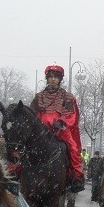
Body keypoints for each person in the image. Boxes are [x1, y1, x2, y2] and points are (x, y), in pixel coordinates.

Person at [30, 64, 85, 192]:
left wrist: (61, 121)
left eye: (56, 77)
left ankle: (76, 178)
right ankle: (17, 171)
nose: (53, 79)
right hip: (41, 130)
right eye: (50, 77)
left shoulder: (67, 96)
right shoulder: (38, 96)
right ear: (47, 78)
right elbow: (32, 113)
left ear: (60, 79)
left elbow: (72, 114)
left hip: (60, 130)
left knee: (73, 149)